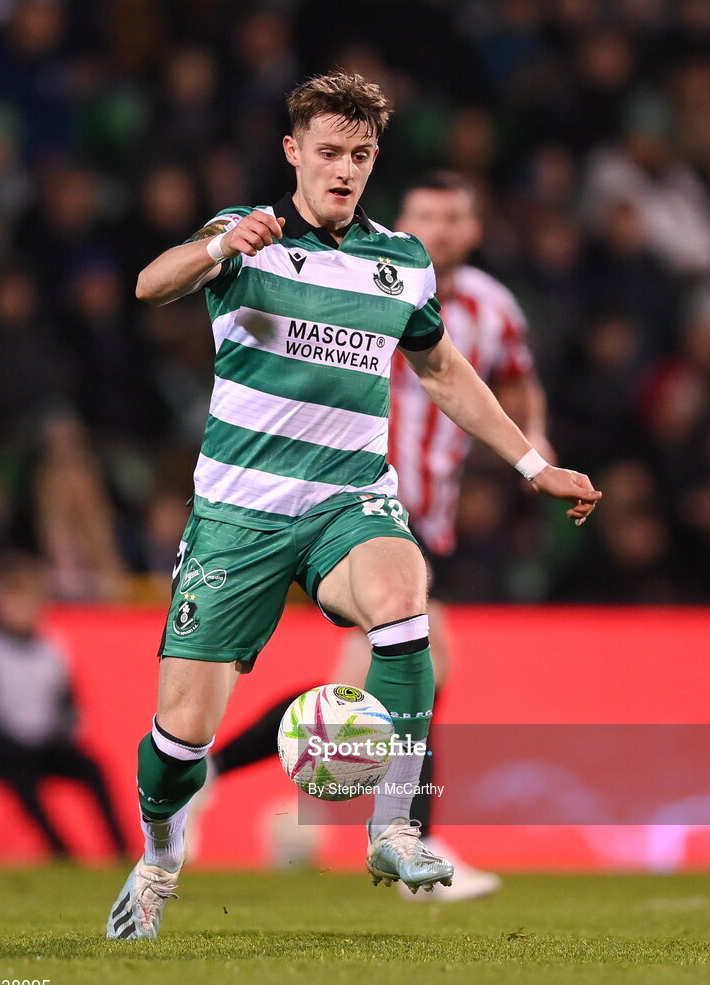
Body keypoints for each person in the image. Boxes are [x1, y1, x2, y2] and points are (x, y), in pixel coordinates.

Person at [106, 71, 600, 940]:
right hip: (238, 513)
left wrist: (531, 465)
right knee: (180, 739)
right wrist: (219, 249)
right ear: (293, 152)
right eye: (328, 152)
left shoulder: (401, 261)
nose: (343, 170)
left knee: (404, 602)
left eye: (360, 156)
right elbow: (152, 284)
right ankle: (159, 854)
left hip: (348, 499)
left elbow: (444, 371)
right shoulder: (243, 234)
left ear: (375, 161)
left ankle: (395, 828)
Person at [188, 171, 554, 901]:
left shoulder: (491, 307)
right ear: (407, 220)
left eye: (454, 217)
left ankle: (224, 778)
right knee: (412, 664)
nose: (440, 229)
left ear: (473, 230)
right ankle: (407, 839)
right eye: (427, 214)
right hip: (352, 500)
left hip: (427, 512)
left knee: (367, 686)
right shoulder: (363, 276)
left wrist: (531, 448)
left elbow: (513, 379)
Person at [0, 552, 128, 858]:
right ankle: (60, 851)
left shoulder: (51, 649)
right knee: (21, 774)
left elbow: (67, 705)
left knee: (93, 769)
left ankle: (120, 850)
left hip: (40, 746)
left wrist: (58, 736)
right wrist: (18, 743)